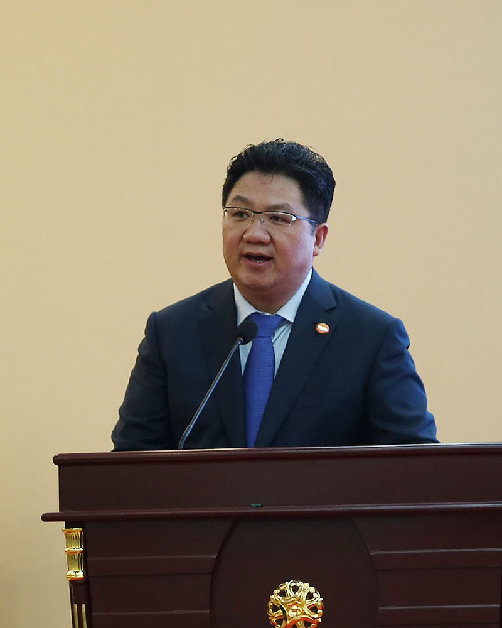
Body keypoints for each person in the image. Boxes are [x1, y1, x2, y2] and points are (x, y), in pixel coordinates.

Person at [112, 139, 437, 451]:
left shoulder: (371, 338)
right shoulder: (172, 332)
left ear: (318, 239)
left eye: (279, 218)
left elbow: (414, 467)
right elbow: (130, 466)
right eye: (240, 214)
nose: (254, 234)